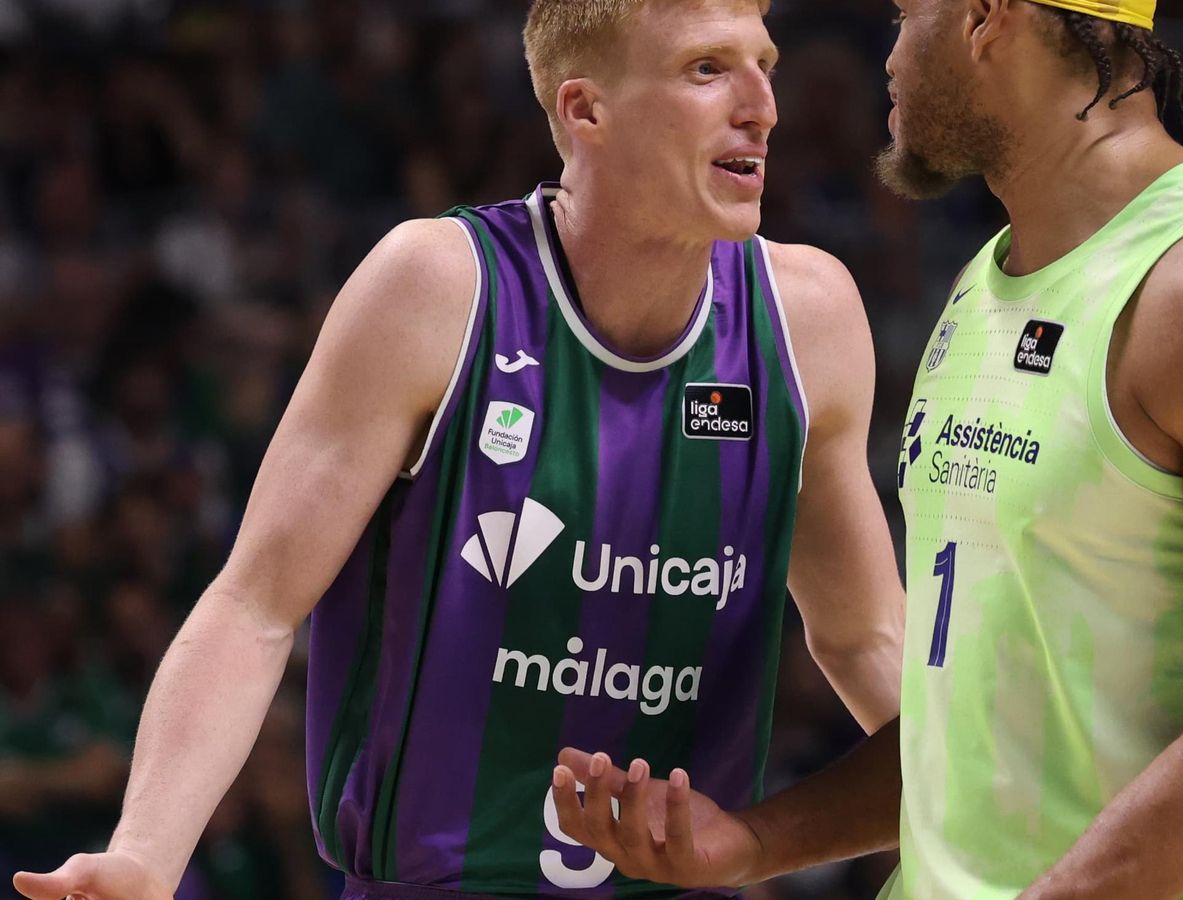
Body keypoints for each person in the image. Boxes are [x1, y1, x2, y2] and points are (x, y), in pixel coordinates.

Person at [11, 0, 907, 897]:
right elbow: (256, 607)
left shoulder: (809, 319)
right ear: (584, 110)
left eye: (765, 64)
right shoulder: (436, 288)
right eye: (708, 69)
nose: (763, 106)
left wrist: (1007, 817)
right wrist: (145, 854)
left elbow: (863, 636)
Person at [548, 0, 1183, 897]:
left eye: (907, 14)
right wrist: (751, 843)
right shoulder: (989, 280)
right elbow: (969, 717)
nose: (891, 54)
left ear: (986, 19)